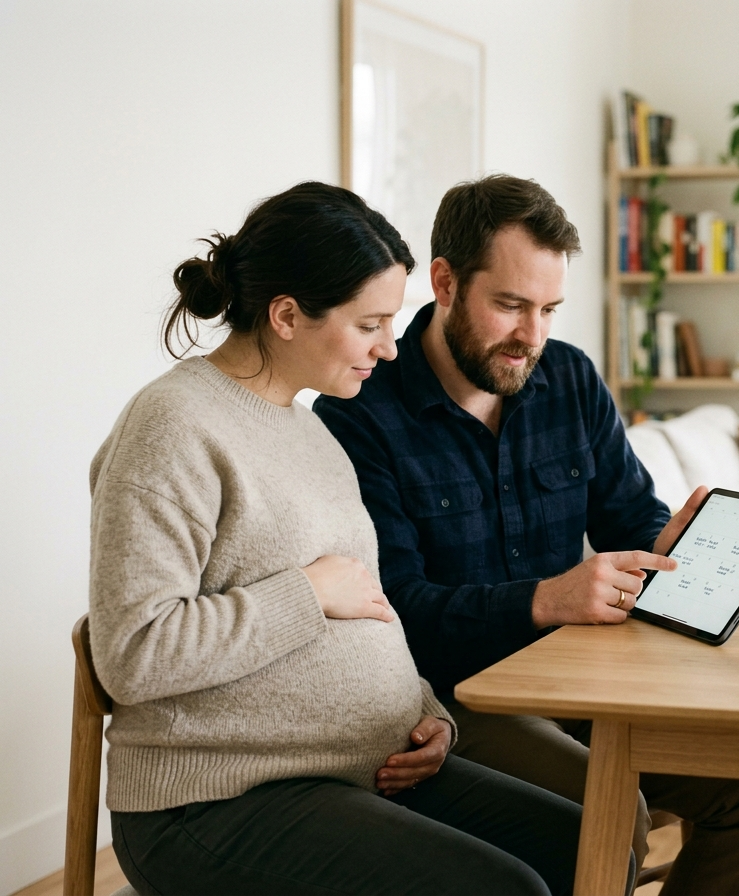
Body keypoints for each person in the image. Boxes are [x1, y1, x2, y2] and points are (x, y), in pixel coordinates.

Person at [89, 181, 595, 896]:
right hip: (215, 799)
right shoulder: (172, 426)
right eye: (370, 325)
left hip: (357, 771)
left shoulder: (313, 432)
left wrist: (428, 715)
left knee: (587, 844)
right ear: (288, 315)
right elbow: (133, 654)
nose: (390, 349)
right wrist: (307, 593)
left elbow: (370, 613)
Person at [314, 174, 739, 896]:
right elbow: (401, 610)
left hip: (586, 682)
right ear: (445, 282)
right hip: (460, 702)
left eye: (548, 309)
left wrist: (669, 544)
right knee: (610, 809)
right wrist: (545, 600)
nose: (532, 336)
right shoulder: (361, 411)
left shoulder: (569, 378)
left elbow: (630, 519)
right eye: (510, 305)